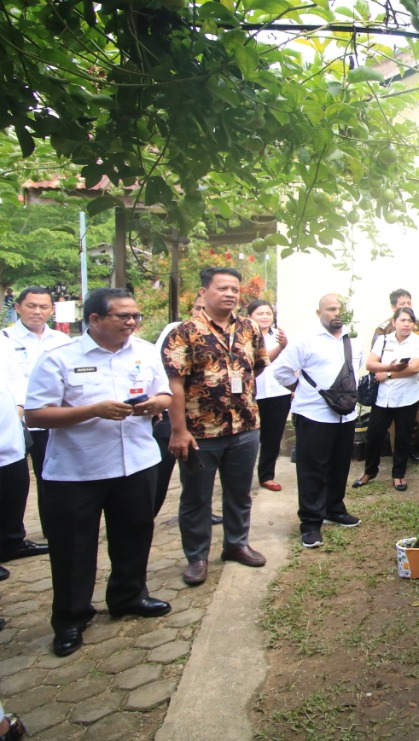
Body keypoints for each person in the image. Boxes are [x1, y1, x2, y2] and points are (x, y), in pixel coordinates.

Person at [26, 288, 173, 658]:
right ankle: (71, 618)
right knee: (73, 548)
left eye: (135, 316)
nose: (132, 322)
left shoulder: (143, 351)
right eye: (122, 316)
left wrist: (157, 403)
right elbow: (35, 415)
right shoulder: (58, 359)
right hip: (77, 470)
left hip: (136, 464)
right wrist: (94, 410)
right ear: (94, 320)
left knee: (134, 535)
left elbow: (165, 394)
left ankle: (128, 596)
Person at [163, 268, 271, 587]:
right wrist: (179, 430)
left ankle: (236, 544)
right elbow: (175, 384)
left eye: (235, 289)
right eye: (222, 288)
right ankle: (197, 557)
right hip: (200, 433)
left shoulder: (250, 328)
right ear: (204, 292)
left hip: (245, 428)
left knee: (240, 493)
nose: (230, 294)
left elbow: (258, 366)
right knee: (197, 498)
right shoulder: (184, 331)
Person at [272, 294, 363, 549]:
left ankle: (335, 509)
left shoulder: (353, 341)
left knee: (339, 465)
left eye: (340, 309)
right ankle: (311, 524)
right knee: (312, 469)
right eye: (331, 309)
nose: (336, 313)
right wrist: (302, 389)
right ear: (319, 312)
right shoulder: (305, 340)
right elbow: (280, 371)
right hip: (313, 415)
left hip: (345, 415)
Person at [1, 286, 70, 555]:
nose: (37, 312)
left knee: (50, 478)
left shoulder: (61, 340)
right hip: (15, 423)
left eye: (43, 307)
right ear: (17, 307)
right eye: (31, 306)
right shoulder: (5, 339)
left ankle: (53, 531)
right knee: (14, 482)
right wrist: (18, 407)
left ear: (52, 311)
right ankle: (10, 536)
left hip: (49, 422)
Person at [353, 306, 419, 491]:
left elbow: (415, 368)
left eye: (410, 321)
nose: (407, 324)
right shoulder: (383, 340)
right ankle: (369, 471)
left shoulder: (418, 342)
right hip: (382, 399)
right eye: (403, 320)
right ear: (394, 322)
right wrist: (389, 366)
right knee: (374, 435)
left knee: (402, 437)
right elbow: (371, 363)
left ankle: (398, 474)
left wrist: (387, 374)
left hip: (407, 398)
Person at [155, 293, 208, 518]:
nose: (200, 313)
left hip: (205, 421)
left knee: (199, 476)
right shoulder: (176, 330)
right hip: (172, 415)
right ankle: (146, 514)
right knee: (161, 470)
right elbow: (160, 368)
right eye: (198, 308)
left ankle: (204, 513)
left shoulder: (229, 333)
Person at [371, 289, 419, 457]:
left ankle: (408, 447)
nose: (407, 307)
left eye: (409, 303)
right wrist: (388, 372)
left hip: (414, 375)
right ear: (393, 307)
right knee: (395, 423)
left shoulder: (416, 323)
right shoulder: (383, 329)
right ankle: (399, 455)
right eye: (402, 304)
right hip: (391, 380)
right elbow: (376, 358)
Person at [246, 300, 291, 491]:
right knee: (248, 439)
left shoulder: (280, 338)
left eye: (268, 313)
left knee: (272, 438)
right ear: (250, 316)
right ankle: (242, 476)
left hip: (278, 394)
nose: (265, 317)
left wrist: (293, 387)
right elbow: (256, 362)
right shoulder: (243, 337)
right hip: (251, 396)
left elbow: (291, 364)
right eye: (259, 313)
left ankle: (266, 475)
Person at [0, 342, 28, 583]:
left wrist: (19, 405)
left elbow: (14, 376)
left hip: (8, 431)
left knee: (14, 489)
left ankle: (12, 542)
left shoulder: (2, 342)